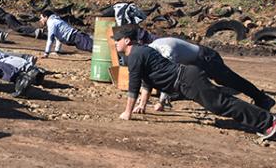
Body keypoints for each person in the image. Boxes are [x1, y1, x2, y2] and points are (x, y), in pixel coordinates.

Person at [113, 24, 276, 140]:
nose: (115, 42)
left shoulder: (135, 55)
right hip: (186, 80)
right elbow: (146, 81)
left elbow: (133, 85)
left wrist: (127, 112)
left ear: (127, 40)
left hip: (188, 78)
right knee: (219, 103)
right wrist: (142, 104)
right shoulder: (141, 52)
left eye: (118, 40)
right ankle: (266, 119)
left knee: (220, 103)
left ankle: (268, 122)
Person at [146, 37, 274, 112]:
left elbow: (171, 73)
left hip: (207, 58)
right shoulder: (154, 47)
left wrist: (161, 102)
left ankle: (263, 99)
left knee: (232, 80)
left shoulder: (166, 51)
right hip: (197, 61)